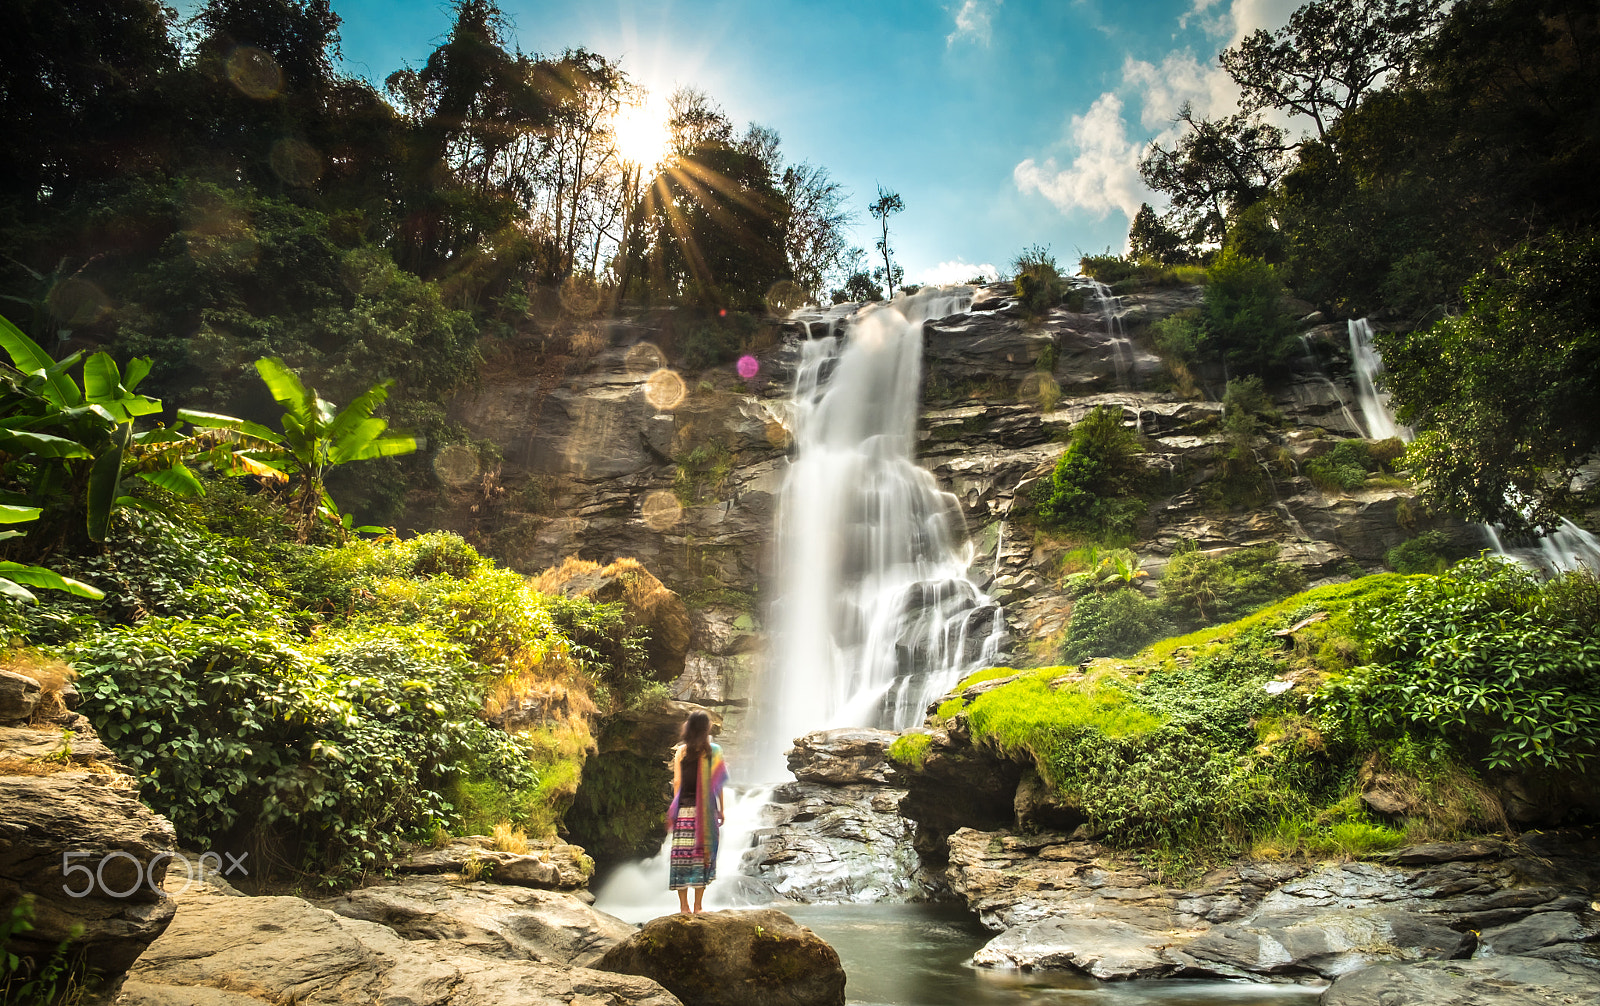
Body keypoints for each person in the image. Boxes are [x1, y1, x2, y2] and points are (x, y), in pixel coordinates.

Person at [667, 710, 727, 913]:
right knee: (702, 856)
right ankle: (698, 907)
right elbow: (718, 785)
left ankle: (683, 907)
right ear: (706, 729)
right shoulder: (714, 751)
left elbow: (677, 783)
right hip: (707, 811)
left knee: (682, 857)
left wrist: (676, 808)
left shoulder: (681, 752)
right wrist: (721, 810)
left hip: (684, 810)